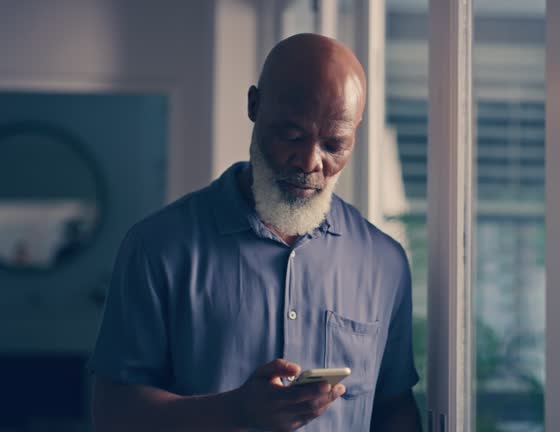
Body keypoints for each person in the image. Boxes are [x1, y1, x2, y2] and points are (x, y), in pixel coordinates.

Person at [89, 33, 421, 431]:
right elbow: (113, 412)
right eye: (293, 136)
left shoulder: (384, 263)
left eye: (335, 145)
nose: (310, 161)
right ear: (254, 105)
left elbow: (393, 407)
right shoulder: (156, 248)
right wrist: (236, 411)